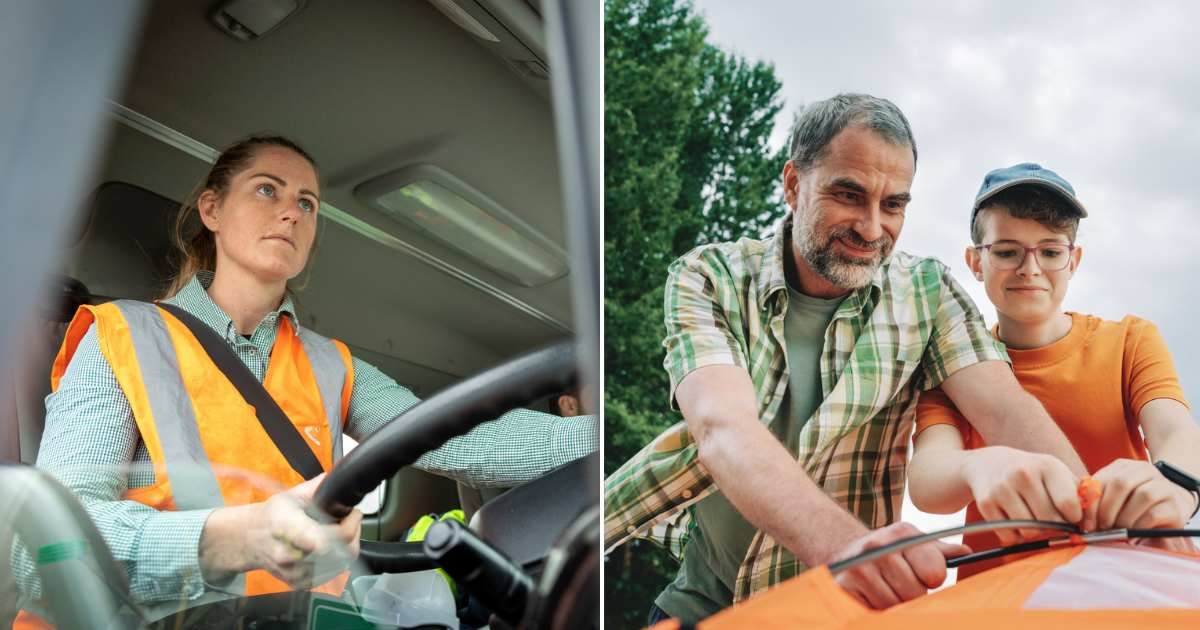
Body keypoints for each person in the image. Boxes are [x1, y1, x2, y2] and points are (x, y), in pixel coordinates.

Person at [12, 136, 596, 620]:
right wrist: (240, 536)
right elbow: (40, 549)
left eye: (308, 203)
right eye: (267, 190)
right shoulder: (120, 335)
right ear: (212, 210)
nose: (291, 211)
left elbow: (466, 440)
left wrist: (613, 432)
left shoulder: (330, 363)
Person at [604, 94, 1090, 625]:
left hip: (842, 616)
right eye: (848, 194)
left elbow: (1004, 408)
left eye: (894, 205)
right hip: (706, 608)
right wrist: (847, 549)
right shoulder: (709, 276)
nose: (871, 227)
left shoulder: (928, 291)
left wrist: (1097, 518)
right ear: (793, 184)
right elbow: (721, 427)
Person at [907, 163, 1200, 579]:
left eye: (1050, 251)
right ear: (975, 262)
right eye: (1007, 251)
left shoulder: (1129, 340)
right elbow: (928, 479)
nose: (1030, 268)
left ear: (1073, 259)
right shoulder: (953, 367)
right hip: (999, 597)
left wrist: (1176, 484)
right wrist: (980, 466)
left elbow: (1175, 430)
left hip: (1129, 585)